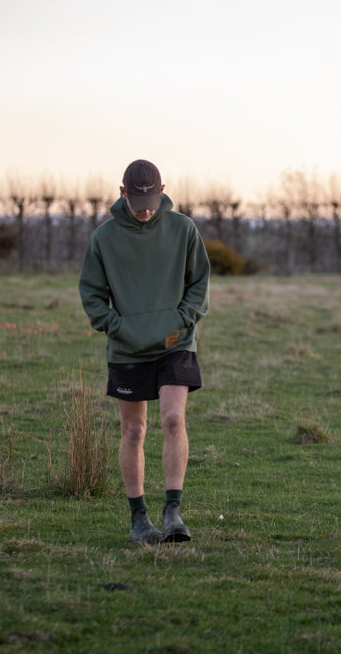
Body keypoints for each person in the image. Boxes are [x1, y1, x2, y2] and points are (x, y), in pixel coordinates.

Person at [79, 159, 211, 544]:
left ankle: (173, 513)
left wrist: (180, 321)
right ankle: (139, 520)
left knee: (172, 418)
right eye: (139, 203)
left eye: (153, 200)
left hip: (176, 342)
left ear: (163, 190)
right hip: (127, 347)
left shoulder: (183, 229)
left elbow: (199, 284)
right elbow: (91, 294)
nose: (147, 209)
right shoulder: (104, 238)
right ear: (122, 194)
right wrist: (118, 327)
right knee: (135, 430)